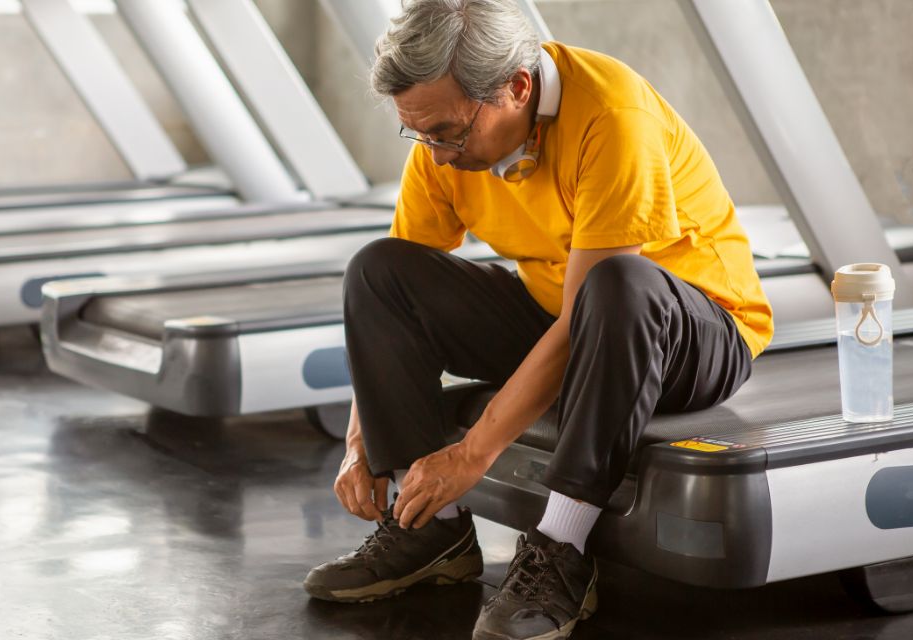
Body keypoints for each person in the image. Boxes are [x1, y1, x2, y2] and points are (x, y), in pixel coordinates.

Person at [303, 1, 773, 638]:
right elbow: (398, 287)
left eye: (447, 133)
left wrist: (472, 453)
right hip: (567, 309)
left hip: (692, 330)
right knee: (379, 269)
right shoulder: (445, 136)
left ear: (517, 88)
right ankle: (428, 534)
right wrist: (358, 443)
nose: (437, 156)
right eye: (421, 136)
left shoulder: (612, 114)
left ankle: (562, 547)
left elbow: (591, 314)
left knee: (618, 283)